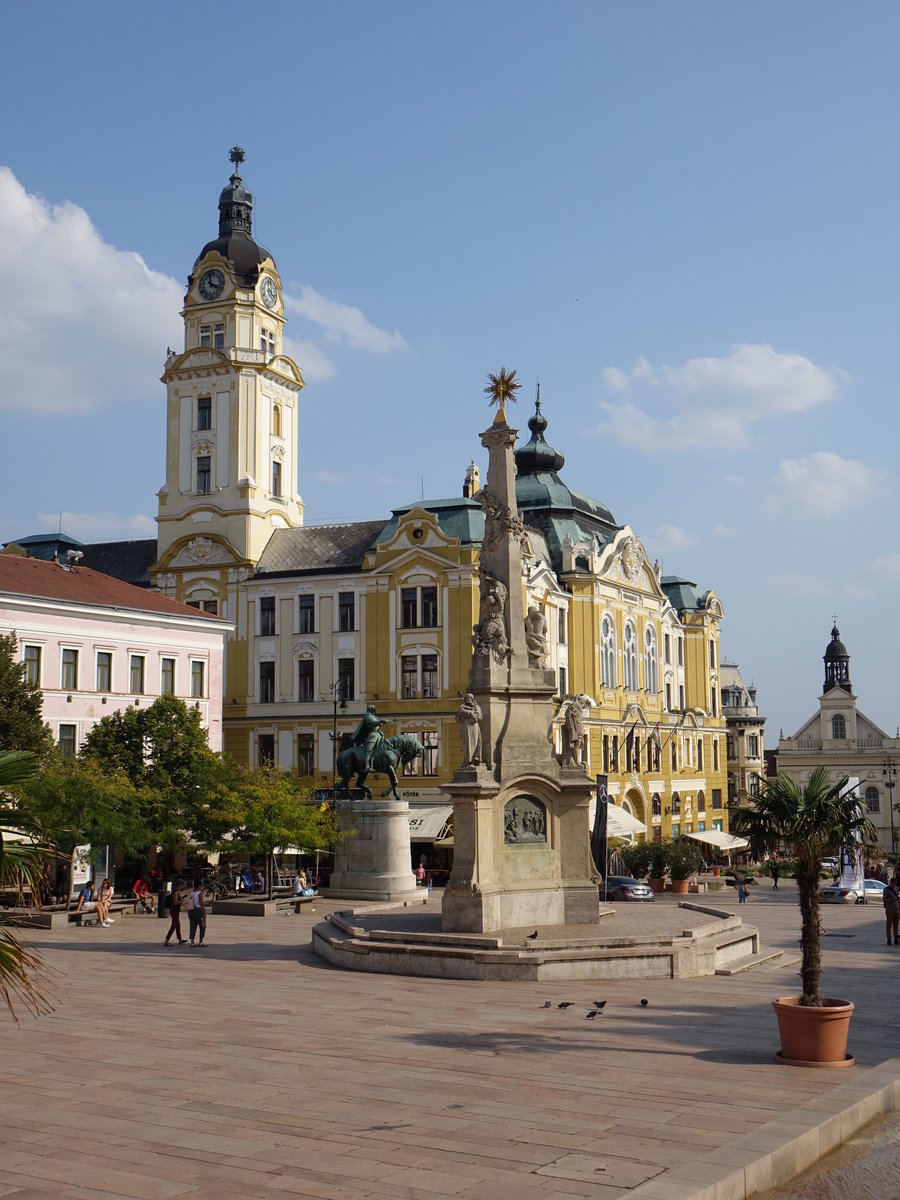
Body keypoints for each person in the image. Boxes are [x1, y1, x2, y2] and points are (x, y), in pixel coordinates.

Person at [351, 705, 384, 772]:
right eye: (373, 709)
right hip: (372, 735)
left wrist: (385, 722)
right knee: (369, 750)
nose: (374, 710)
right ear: (370, 710)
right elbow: (374, 723)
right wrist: (381, 721)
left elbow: (377, 724)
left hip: (378, 734)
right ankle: (367, 766)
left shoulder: (374, 717)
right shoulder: (368, 716)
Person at [456, 693, 483, 767]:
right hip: (466, 727)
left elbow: (477, 716)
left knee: (474, 743)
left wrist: (467, 712)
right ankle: (468, 761)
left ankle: (474, 759)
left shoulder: (476, 707)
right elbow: (458, 719)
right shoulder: (462, 707)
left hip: (473, 726)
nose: (468, 699)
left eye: (470, 698)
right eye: (467, 698)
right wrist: (462, 712)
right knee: (467, 744)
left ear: (472, 699)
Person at [165, 880, 187, 946]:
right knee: (174, 925)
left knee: (178, 925)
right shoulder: (176, 892)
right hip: (175, 911)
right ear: (179, 885)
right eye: (182, 885)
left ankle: (180, 939)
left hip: (173, 910)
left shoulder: (175, 892)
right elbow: (176, 902)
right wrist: (182, 900)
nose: (183, 886)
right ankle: (167, 940)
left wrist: (182, 897)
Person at [188, 879, 207, 946]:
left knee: (192, 926)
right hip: (198, 911)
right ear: (199, 886)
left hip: (191, 911)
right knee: (202, 926)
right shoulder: (200, 894)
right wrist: (204, 914)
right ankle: (200, 941)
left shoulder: (191, 893)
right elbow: (202, 904)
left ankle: (192, 941)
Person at [883, 877, 900, 946]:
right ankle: (889, 939)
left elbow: (897, 898)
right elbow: (884, 899)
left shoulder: (896, 888)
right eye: (893, 884)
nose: (894, 886)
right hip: (890, 908)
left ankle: (896, 939)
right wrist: (893, 900)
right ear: (891, 883)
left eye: (895, 884)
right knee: (889, 925)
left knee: (896, 925)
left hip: (897, 908)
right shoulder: (886, 889)